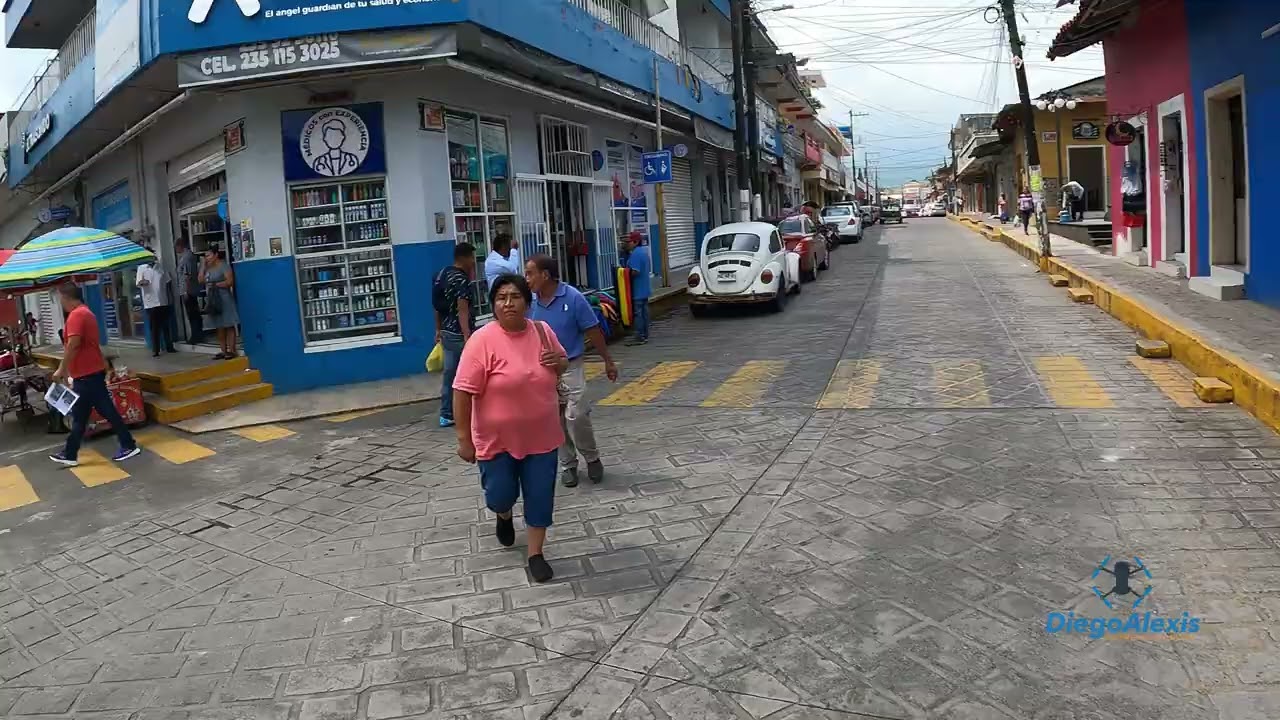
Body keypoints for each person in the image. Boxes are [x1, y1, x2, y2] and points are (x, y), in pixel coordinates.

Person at [453, 273, 568, 583]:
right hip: (496, 439)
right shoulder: (481, 341)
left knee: (540, 495)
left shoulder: (543, 331)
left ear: (527, 303)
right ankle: (503, 515)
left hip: (541, 435)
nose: (508, 303)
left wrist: (557, 361)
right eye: (501, 298)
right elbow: (462, 391)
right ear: (493, 306)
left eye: (515, 297)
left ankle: (535, 554)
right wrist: (464, 439)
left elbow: (563, 362)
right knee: (500, 495)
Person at [525, 253, 619, 488]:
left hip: (572, 366)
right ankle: (568, 464)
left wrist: (607, 360)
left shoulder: (573, 298)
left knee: (576, 415)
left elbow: (593, 329)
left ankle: (592, 457)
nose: (526, 279)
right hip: (543, 371)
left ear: (545, 275)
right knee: (554, 420)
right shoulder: (530, 303)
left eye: (530, 273)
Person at [48, 284, 140, 467]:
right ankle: (70, 453)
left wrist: (61, 369)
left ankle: (127, 444)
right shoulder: (85, 313)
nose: (61, 304)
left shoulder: (77, 315)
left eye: (61, 299)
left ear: (66, 297)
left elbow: (73, 345)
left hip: (87, 375)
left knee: (102, 412)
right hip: (88, 373)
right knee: (82, 416)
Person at [433, 243, 477, 428]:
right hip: (458, 333)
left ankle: (446, 413)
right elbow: (462, 308)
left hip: (446, 331)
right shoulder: (460, 279)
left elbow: (436, 306)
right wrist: (467, 335)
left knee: (450, 374)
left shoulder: (440, 275)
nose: (474, 262)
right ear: (465, 258)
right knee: (467, 374)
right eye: (472, 258)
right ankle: (466, 411)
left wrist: (437, 330)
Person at [199, 248, 239, 360]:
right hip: (212, 299)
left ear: (216, 255)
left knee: (228, 323)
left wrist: (216, 284)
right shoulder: (208, 268)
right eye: (205, 256)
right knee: (219, 325)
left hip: (224, 298)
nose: (207, 258)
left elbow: (230, 281)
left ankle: (232, 350)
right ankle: (223, 350)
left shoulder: (223, 266)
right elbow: (201, 280)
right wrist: (202, 266)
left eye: (209, 255)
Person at [135, 251, 177, 357]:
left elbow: (168, 281)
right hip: (151, 302)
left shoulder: (160, 267)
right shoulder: (142, 268)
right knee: (154, 327)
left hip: (163, 300)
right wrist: (143, 282)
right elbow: (138, 283)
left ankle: (169, 346)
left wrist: (170, 298)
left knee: (165, 325)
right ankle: (156, 349)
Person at [624, 231, 652, 346]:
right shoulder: (643, 252)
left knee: (638, 314)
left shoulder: (635, 254)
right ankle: (645, 335)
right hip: (645, 289)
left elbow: (635, 271)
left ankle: (640, 336)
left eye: (629, 242)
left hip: (638, 290)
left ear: (635, 242)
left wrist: (624, 274)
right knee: (644, 313)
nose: (627, 244)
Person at [176, 239, 204, 345]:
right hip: (189, 289)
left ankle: (196, 335)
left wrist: (186, 291)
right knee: (193, 313)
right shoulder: (187, 256)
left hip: (189, 290)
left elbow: (187, 275)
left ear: (180, 246)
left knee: (192, 313)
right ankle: (197, 334)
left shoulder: (187, 257)